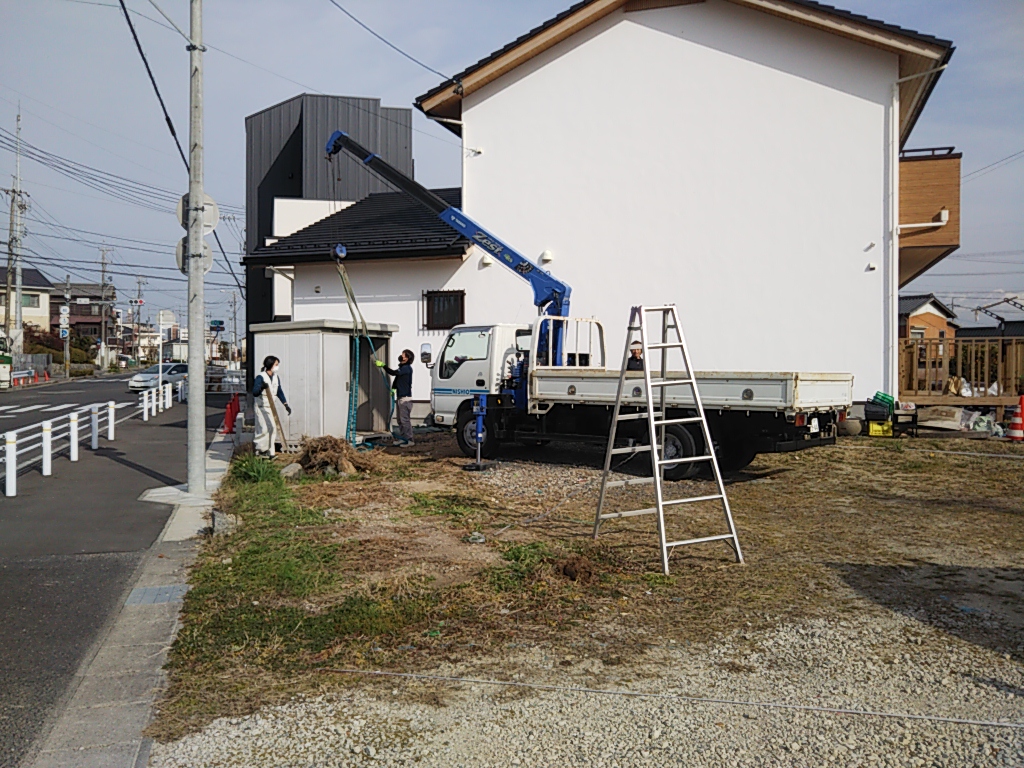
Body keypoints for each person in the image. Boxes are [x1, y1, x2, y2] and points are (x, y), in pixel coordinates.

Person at [252, 355, 291, 457]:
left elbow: (279, 391)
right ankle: (260, 450)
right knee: (263, 429)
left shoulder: (275, 377)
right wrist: (261, 387)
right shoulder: (261, 377)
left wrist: (285, 404)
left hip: (271, 407)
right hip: (261, 407)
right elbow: (255, 392)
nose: (277, 367)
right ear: (270, 365)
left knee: (272, 428)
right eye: (276, 364)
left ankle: (270, 452)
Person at [376, 349, 415, 446]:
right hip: (400, 397)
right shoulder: (402, 368)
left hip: (405, 399)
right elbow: (397, 379)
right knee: (400, 420)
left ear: (407, 358)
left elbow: (393, 373)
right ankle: (403, 438)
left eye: (403, 355)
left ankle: (409, 440)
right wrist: (394, 388)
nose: (401, 356)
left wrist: (383, 365)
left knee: (404, 420)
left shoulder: (406, 368)